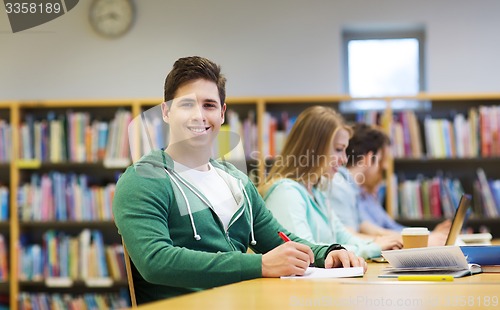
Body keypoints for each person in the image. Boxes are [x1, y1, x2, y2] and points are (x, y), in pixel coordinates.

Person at [112, 56, 366, 305]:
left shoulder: (236, 180)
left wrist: (329, 253)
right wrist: (261, 264)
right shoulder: (143, 179)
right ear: (166, 111)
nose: (199, 116)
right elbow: (155, 262)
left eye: (209, 105)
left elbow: (280, 239)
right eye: (187, 104)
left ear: (222, 113)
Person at [259, 106, 402, 260]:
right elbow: (307, 252)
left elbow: (343, 238)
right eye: (339, 149)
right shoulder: (286, 193)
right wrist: (373, 247)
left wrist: (378, 243)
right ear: (314, 149)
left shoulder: (318, 192)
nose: (344, 160)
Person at [328, 123, 450, 245]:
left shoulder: (351, 188)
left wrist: (422, 237)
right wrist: (417, 241)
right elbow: (348, 239)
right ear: (369, 158)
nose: (384, 166)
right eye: (381, 160)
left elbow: (372, 230)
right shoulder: (340, 187)